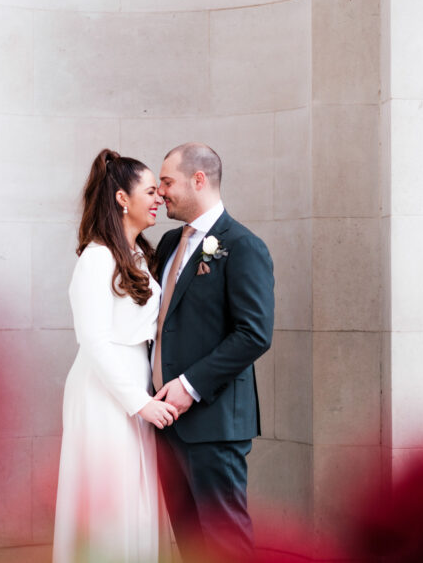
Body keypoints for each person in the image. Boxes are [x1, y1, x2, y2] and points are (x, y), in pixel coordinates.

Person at [53, 149, 178, 563]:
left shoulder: (140, 254)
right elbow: (94, 340)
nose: (158, 197)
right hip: (105, 392)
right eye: (149, 191)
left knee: (138, 499)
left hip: (135, 383)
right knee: (113, 500)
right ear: (123, 199)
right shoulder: (96, 257)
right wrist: (138, 402)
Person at [153, 142, 275, 561]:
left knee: (225, 544)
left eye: (167, 182)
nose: (160, 192)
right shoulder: (168, 244)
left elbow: (254, 333)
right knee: (189, 545)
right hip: (166, 423)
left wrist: (189, 385)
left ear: (198, 180)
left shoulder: (242, 245)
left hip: (215, 422)